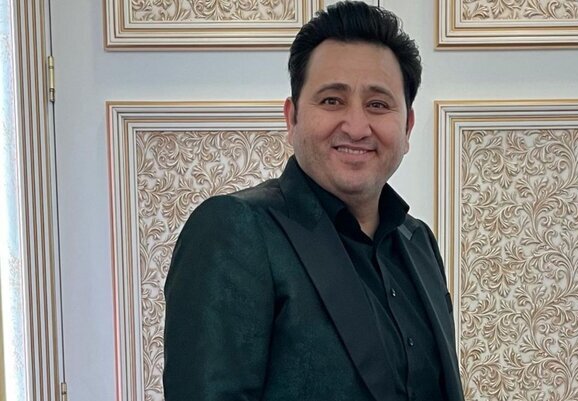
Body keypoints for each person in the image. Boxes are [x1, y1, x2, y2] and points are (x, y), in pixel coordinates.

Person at [163, 2, 464, 400]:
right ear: (292, 118)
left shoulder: (418, 241)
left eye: (377, 104)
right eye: (332, 101)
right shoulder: (234, 229)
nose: (356, 127)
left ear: (407, 126)